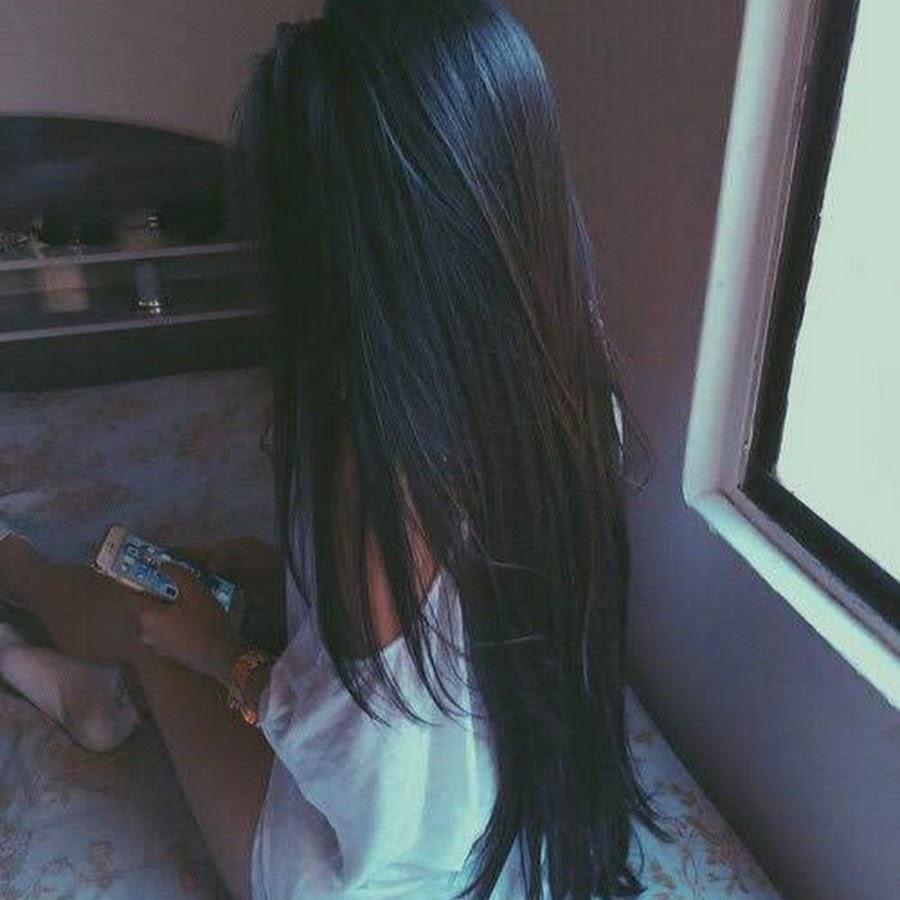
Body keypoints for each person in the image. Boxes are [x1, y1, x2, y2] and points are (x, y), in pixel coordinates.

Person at [0, 1, 675, 897]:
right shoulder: (571, 386)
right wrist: (291, 578)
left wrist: (222, 654)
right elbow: (464, 626)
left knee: (146, 609)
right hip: (508, 827)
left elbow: (365, 791)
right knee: (196, 595)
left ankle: (21, 598)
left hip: (359, 873)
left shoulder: (383, 472)